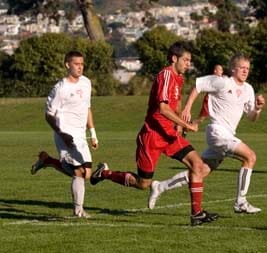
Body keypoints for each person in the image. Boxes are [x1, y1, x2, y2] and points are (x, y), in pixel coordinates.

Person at [90, 41, 218, 226]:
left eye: (190, 60)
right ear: (174, 58)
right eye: (186, 60)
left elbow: (176, 104)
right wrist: (187, 125)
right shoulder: (165, 75)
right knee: (143, 184)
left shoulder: (179, 78)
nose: (188, 64)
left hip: (170, 135)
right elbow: (163, 109)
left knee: (197, 165)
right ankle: (105, 173)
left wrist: (180, 127)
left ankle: (196, 214)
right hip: (152, 137)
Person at [148, 53, 266, 214]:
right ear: (233, 68)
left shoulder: (248, 89)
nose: (245, 71)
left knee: (200, 171)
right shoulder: (222, 82)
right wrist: (188, 108)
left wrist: (258, 109)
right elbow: (198, 85)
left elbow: (251, 117)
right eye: (242, 68)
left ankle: (160, 186)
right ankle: (241, 202)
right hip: (217, 132)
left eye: (247, 68)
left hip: (228, 135)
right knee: (250, 157)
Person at [31, 51, 99, 218]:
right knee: (79, 173)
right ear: (67, 65)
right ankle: (78, 210)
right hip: (65, 135)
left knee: (87, 174)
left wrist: (93, 133)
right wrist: (62, 133)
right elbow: (48, 115)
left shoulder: (86, 83)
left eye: (82, 64)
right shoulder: (60, 89)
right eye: (76, 64)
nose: (80, 67)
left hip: (81, 135)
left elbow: (87, 108)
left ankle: (47, 160)